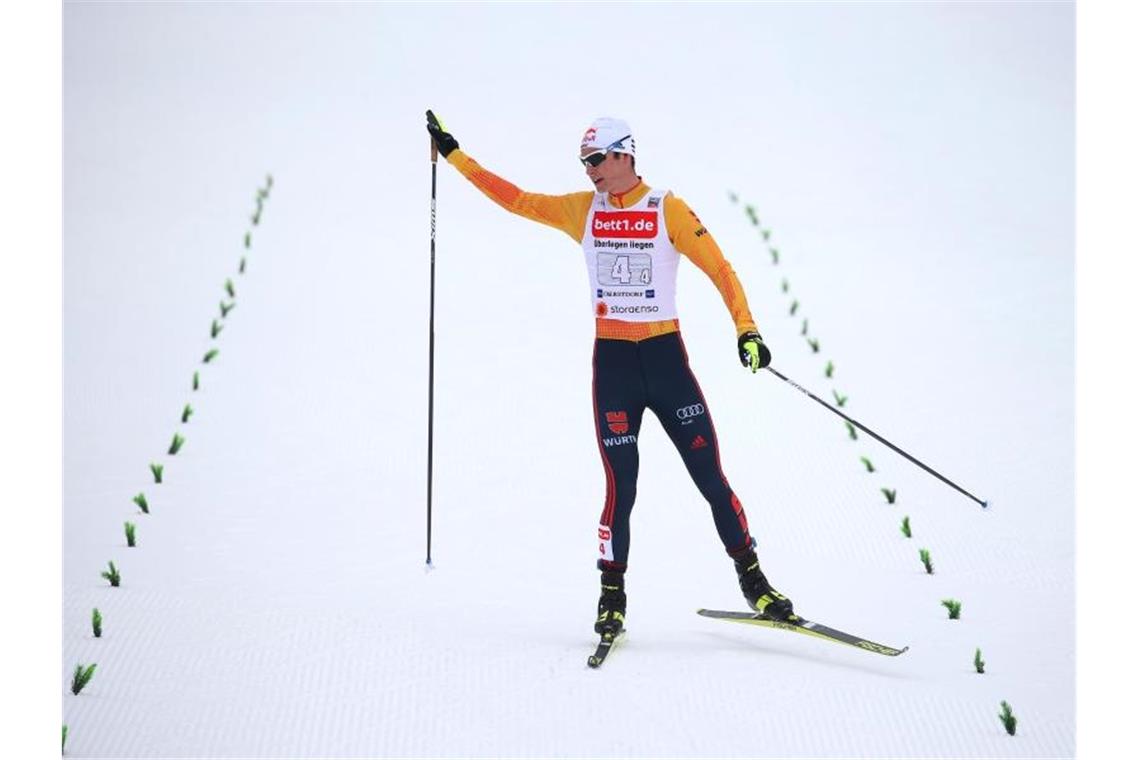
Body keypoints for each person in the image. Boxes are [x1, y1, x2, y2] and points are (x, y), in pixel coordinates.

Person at [425, 110, 795, 638]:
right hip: (615, 366)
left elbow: (720, 268)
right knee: (621, 486)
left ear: (626, 154)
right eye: (583, 162)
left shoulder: (667, 208)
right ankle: (611, 597)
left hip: (666, 362)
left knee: (711, 478)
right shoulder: (583, 211)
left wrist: (747, 330)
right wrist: (456, 155)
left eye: (596, 160)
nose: (589, 171)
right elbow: (516, 199)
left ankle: (755, 583)